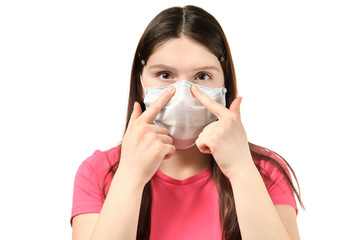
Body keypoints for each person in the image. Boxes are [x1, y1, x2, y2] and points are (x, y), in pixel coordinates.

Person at [71, 5, 304, 240]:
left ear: (224, 84)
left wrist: (242, 170)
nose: (183, 93)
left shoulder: (265, 172)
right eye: (164, 75)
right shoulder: (100, 172)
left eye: (202, 76)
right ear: (141, 82)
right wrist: (130, 175)